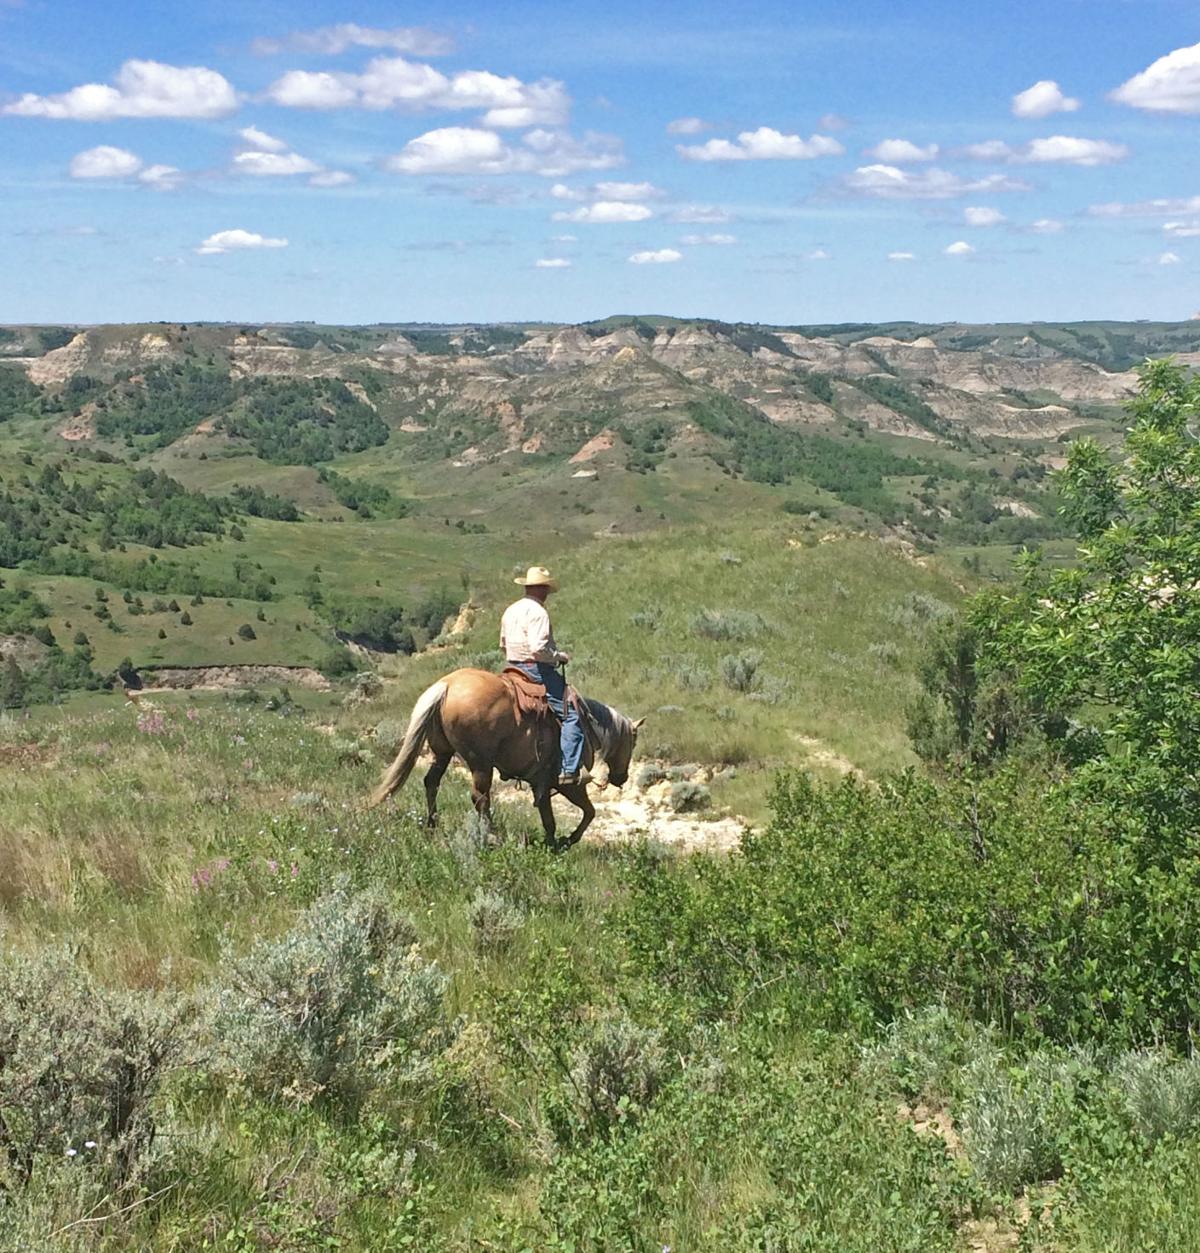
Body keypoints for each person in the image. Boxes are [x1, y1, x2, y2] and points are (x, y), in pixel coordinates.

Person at [500, 566, 584, 787]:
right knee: (570, 714)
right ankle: (569, 769)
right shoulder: (538, 612)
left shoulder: (511, 610)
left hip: (512, 667)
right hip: (535, 669)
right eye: (546, 588)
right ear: (541, 589)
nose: (547, 593)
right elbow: (538, 649)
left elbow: (502, 644)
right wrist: (559, 656)